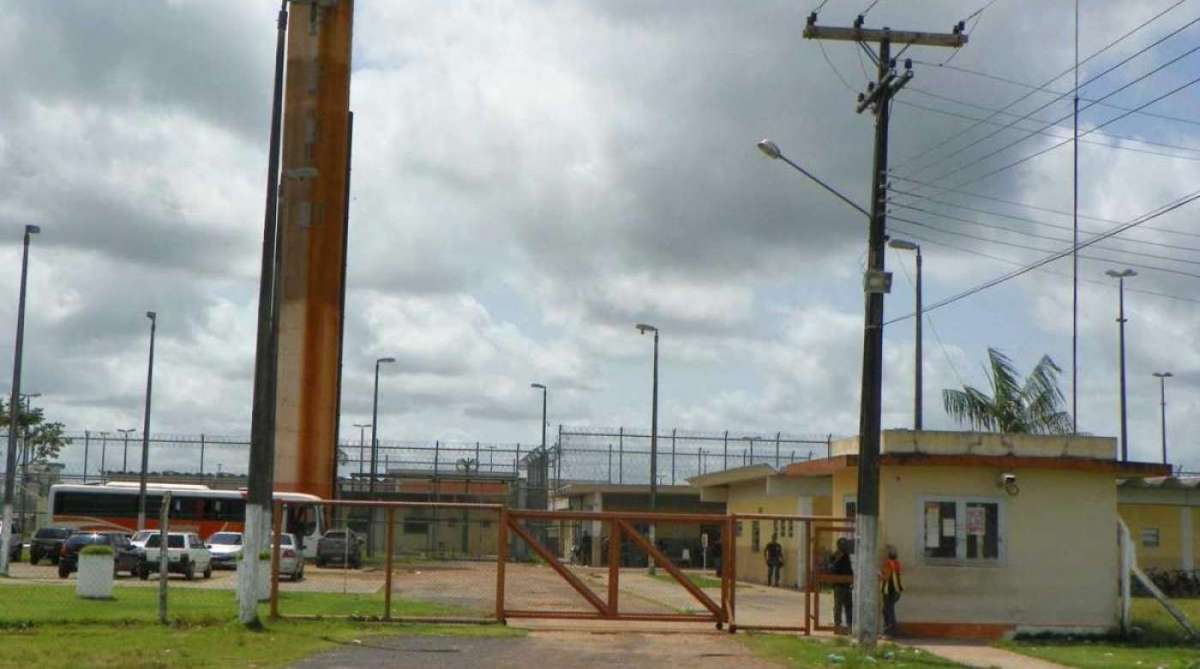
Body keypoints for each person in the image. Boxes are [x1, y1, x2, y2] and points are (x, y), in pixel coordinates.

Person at [881, 544, 904, 637]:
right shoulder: (897, 564)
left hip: (889, 591)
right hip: (897, 591)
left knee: (888, 610)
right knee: (889, 609)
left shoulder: (887, 564)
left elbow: (885, 577)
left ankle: (890, 630)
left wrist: (877, 574)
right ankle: (891, 629)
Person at [831, 537, 853, 631]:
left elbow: (849, 569)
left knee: (849, 606)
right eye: (842, 545)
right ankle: (837, 626)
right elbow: (832, 567)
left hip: (847, 585)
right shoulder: (836, 555)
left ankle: (849, 626)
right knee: (838, 606)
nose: (844, 547)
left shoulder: (846, 556)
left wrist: (851, 579)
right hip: (839, 586)